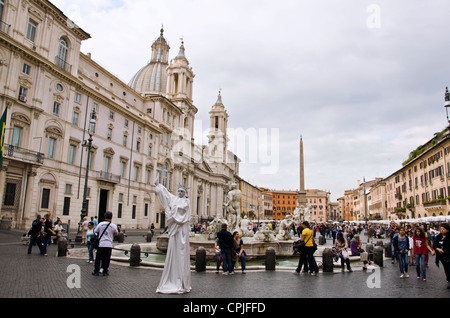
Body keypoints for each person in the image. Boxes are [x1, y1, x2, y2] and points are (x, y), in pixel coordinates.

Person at [154, 180, 191, 294]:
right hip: (175, 229)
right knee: (175, 251)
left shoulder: (186, 201)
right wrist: (159, 186)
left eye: (182, 191)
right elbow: (166, 194)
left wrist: (171, 211)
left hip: (181, 229)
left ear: (185, 192)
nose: (180, 193)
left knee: (181, 252)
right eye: (178, 191)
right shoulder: (174, 199)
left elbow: (182, 212)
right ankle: (173, 278)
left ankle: (180, 281)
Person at [92, 211, 118, 277]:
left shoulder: (100, 224)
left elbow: (95, 232)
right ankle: (105, 271)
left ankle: (96, 271)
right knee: (107, 259)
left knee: (98, 258)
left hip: (101, 244)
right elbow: (116, 233)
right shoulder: (113, 225)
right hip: (109, 244)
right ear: (111, 217)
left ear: (105, 217)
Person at [434, 223, 450, 289]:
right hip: (442, 256)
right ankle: (449, 280)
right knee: (446, 269)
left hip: (448, 256)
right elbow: (435, 244)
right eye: (441, 229)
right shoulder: (439, 236)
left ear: (447, 230)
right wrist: (438, 249)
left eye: (444, 229)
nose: (442, 230)